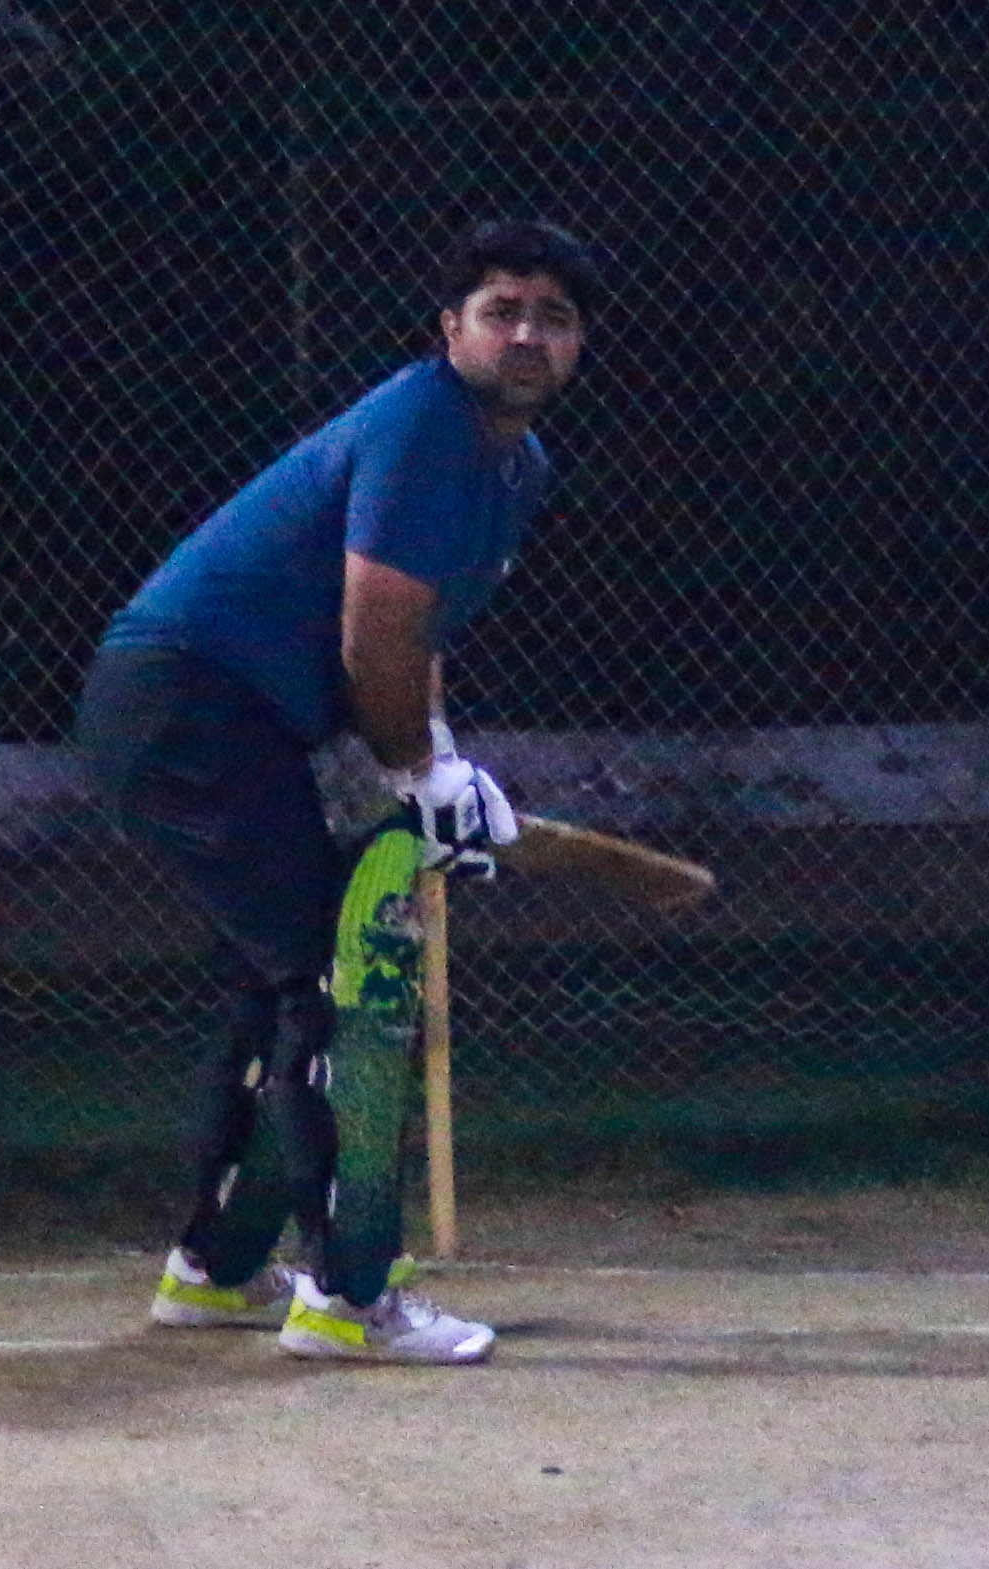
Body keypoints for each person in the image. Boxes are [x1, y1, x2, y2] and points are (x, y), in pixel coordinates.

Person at [73, 220, 600, 1365]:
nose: (526, 335)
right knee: (339, 980)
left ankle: (217, 1271)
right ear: (450, 329)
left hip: (231, 718)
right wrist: (416, 773)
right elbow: (376, 627)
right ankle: (350, 1299)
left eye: (553, 318)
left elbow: (417, 636)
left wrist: (437, 768)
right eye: (501, 311)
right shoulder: (424, 423)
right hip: (189, 706)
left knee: (282, 981)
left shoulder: (516, 468)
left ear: (577, 345)